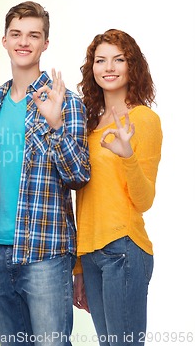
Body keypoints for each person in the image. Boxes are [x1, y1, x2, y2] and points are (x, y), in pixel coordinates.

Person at [0, 1, 90, 345]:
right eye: (16, 34)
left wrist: (55, 124)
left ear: (45, 44)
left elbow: (78, 175)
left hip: (46, 251)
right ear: (4, 40)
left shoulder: (66, 102)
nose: (23, 42)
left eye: (33, 35)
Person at [73, 29, 162, 346]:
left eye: (118, 59)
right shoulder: (88, 124)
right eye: (100, 60)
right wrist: (80, 266)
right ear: (92, 68)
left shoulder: (143, 120)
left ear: (131, 66)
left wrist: (127, 157)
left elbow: (144, 200)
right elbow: (82, 198)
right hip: (92, 255)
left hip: (123, 250)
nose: (108, 67)